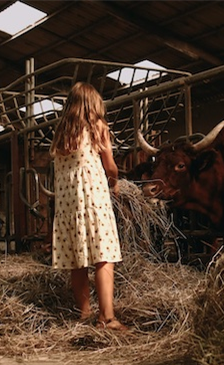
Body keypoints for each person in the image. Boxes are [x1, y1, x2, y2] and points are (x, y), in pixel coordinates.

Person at [50, 82, 127, 332]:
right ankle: (107, 317)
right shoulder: (97, 127)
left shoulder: (61, 134)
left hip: (68, 204)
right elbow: (111, 166)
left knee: (77, 258)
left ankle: (84, 313)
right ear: (93, 104)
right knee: (103, 255)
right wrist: (114, 184)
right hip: (93, 198)